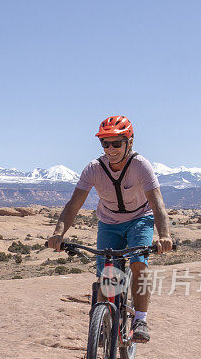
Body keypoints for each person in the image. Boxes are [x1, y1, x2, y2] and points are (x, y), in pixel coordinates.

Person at [47, 115, 172, 343]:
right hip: (109, 223)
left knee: (138, 265)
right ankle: (103, 325)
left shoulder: (140, 165)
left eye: (116, 143)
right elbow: (74, 204)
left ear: (129, 142)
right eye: (105, 143)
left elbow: (157, 203)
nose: (110, 149)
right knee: (107, 276)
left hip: (139, 220)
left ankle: (140, 319)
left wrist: (164, 235)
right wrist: (58, 234)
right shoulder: (94, 169)